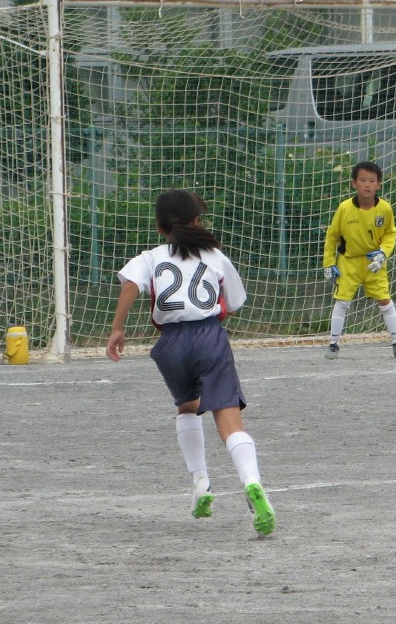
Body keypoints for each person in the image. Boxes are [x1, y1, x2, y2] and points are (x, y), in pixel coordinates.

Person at [105, 190, 275, 537]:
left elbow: (130, 286)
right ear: (197, 221)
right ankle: (252, 482)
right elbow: (233, 303)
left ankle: (200, 482)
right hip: (209, 337)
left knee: (187, 407)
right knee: (228, 417)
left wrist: (117, 329)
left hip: (170, 344)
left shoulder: (150, 257)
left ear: (159, 227)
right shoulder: (214, 256)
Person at [321, 161, 396, 360]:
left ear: (378, 184)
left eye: (372, 180)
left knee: (384, 299)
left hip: (374, 263)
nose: (367, 184)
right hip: (348, 262)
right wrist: (329, 263)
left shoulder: (385, 209)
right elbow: (332, 237)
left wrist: (383, 253)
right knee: (342, 301)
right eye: (362, 180)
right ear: (354, 183)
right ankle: (333, 345)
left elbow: (390, 234)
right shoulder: (344, 208)